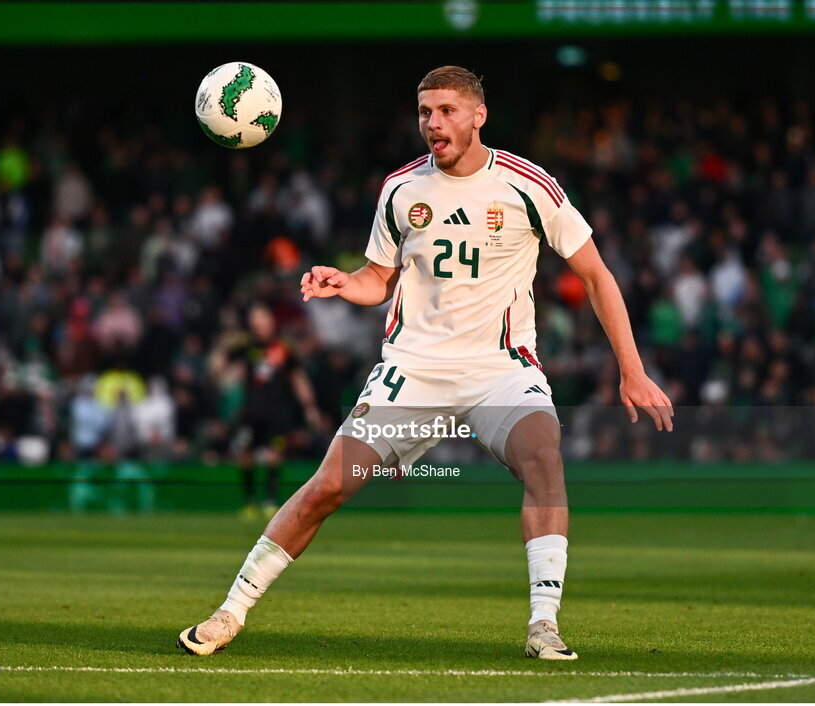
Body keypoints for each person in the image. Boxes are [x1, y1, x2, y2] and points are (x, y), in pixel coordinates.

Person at [178, 66, 673, 661]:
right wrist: (343, 282)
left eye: (445, 111)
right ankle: (229, 613)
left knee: (544, 459)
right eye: (424, 112)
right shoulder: (401, 190)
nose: (433, 124)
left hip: (501, 368)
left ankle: (544, 624)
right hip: (414, 369)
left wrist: (632, 369)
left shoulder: (528, 185)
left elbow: (596, 274)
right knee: (325, 488)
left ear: (477, 115)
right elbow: (377, 279)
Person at [228, 303, 324, 519]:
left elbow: (298, 378)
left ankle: (270, 500)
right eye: (254, 321)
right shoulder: (245, 346)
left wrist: (310, 406)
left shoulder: (283, 348)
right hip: (250, 410)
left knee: (274, 455)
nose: (258, 325)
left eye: (261, 320)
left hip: (276, 411)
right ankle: (250, 502)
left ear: (271, 322)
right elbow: (224, 364)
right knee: (245, 455)